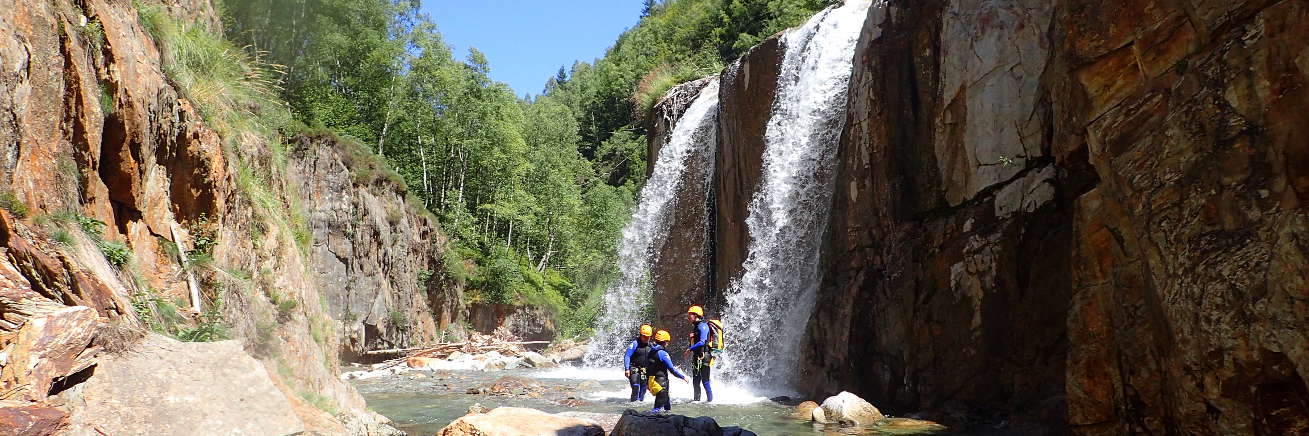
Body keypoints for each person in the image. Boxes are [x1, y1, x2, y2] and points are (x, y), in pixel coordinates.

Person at [646, 329, 688, 413]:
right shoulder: (663, 353)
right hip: (661, 384)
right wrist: (683, 377)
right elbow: (672, 370)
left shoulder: (650, 351)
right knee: (657, 409)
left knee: (667, 406)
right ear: (665, 342)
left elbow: (648, 367)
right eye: (667, 342)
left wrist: (647, 383)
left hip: (652, 382)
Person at [684, 305, 713, 402]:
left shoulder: (703, 326)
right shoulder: (696, 327)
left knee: (705, 380)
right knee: (696, 381)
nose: (688, 317)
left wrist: (690, 349)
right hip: (697, 357)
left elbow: (702, 341)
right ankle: (696, 401)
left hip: (705, 356)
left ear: (696, 315)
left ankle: (710, 401)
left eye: (690, 314)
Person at [623, 324, 654, 402]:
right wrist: (627, 369)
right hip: (634, 367)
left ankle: (640, 403)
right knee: (635, 386)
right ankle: (633, 403)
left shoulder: (651, 346)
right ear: (640, 335)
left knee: (643, 388)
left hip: (644, 370)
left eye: (648, 337)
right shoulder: (634, 344)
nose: (646, 338)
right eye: (644, 336)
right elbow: (627, 356)